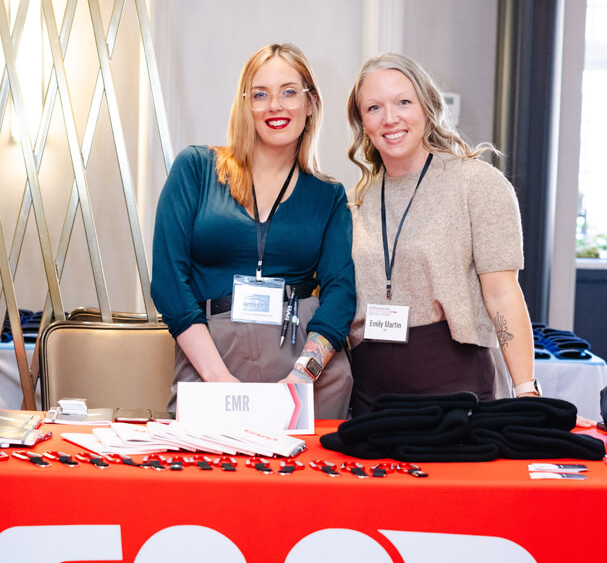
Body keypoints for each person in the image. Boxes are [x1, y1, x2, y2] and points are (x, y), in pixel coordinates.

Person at [151, 43, 355, 419]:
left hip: (303, 363)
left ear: (311, 103)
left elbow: (341, 293)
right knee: (205, 458)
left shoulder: (329, 195)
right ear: (246, 105)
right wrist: (218, 378)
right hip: (210, 355)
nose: (275, 105)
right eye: (260, 94)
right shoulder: (195, 168)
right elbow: (168, 283)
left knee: (308, 460)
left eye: (289, 92)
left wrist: (302, 377)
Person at [345, 53, 540, 418]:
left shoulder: (477, 185)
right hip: (371, 394)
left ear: (427, 106)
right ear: (361, 122)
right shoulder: (356, 201)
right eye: (374, 108)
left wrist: (526, 388)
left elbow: (502, 294)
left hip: (455, 385)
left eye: (403, 102)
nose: (390, 118)